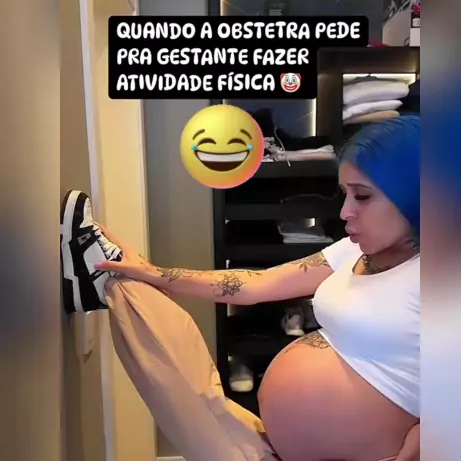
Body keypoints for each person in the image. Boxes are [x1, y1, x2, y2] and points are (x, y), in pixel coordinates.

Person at [60, 115, 420, 461]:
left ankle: (107, 275)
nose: (344, 212)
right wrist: (154, 273)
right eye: (345, 195)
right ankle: (112, 276)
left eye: (362, 196)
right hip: (286, 448)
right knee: (185, 376)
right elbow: (256, 284)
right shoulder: (354, 250)